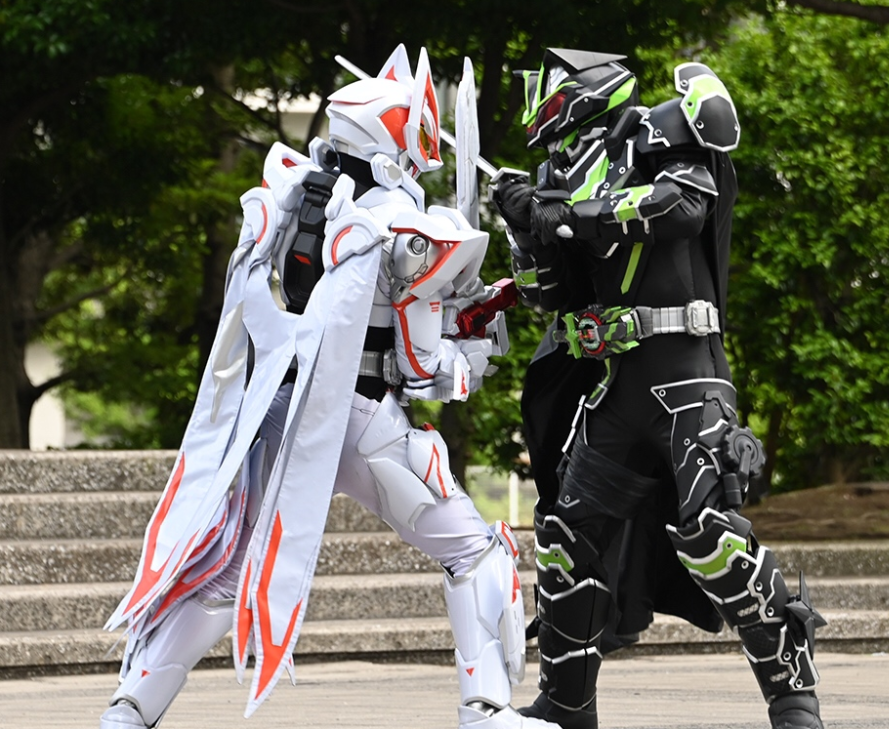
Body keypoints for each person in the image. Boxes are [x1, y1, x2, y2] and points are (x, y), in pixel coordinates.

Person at [99, 44, 557, 729]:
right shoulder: (404, 228)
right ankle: (486, 710)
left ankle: (130, 708)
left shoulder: (291, 203)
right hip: (362, 420)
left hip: (279, 410)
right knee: (475, 551)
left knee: (227, 569)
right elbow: (421, 366)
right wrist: (471, 349)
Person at [490, 48, 826, 729]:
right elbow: (549, 294)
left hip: (688, 379)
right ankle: (565, 704)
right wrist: (524, 225)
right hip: (617, 389)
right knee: (566, 536)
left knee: (713, 535)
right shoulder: (561, 173)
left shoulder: (661, 127)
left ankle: (794, 702)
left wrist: (575, 212)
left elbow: (684, 207)